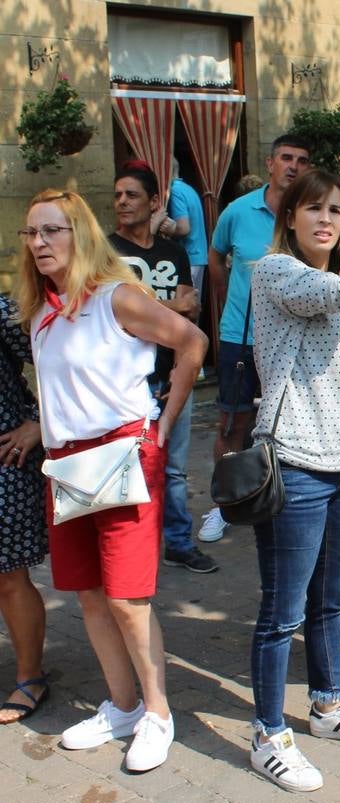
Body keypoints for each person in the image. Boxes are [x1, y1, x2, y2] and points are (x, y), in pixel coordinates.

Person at [18, 189, 207, 770]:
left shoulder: (117, 298)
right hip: (67, 464)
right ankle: (122, 706)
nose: (39, 243)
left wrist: (165, 422)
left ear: (79, 235)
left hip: (122, 457)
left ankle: (158, 713)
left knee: (127, 598)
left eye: (51, 230)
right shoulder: (41, 311)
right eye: (31, 234)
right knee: (90, 595)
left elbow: (192, 342)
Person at [247, 169, 340, 792]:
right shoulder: (275, 272)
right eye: (315, 209)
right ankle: (267, 733)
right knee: (283, 612)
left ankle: (329, 705)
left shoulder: (336, 283)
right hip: (297, 465)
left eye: (338, 211)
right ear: (290, 217)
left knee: (330, 601)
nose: (329, 219)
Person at [199, 135, 311, 543]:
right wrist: (229, 298)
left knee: (291, 423)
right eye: (286, 158)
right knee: (234, 422)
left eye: (301, 160)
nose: (293, 166)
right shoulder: (237, 211)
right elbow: (215, 255)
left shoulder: (308, 214)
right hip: (240, 336)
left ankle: (278, 498)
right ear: (270, 163)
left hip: (291, 340)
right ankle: (225, 503)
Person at [108, 162, 218, 575]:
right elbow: (116, 317)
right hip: (124, 379)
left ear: (155, 202)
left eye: (131, 195)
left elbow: (193, 306)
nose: (122, 202)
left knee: (173, 467)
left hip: (173, 374)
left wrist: (148, 310)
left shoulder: (173, 252)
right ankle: (133, 546)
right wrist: (166, 309)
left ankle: (177, 542)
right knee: (126, 464)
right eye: (118, 195)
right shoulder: (106, 253)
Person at [0, 293, 48, 724]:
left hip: (3, 458)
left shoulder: (0, 310)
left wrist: (39, 421)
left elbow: (55, 359)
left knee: (9, 577)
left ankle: (29, 678)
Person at [163, 158, 208, 295]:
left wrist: (166, 229)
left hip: (189, 257)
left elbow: (184, 228)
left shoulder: (175, 191)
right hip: (198, 256)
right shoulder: (188, 189)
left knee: (186, 306)